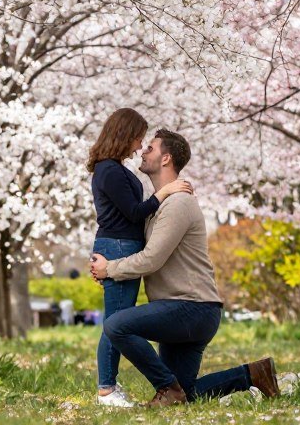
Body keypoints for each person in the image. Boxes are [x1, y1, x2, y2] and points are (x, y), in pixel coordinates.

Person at [90, 129, 281, 407]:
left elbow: (151, 258)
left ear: (166, 159)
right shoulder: (157, 205)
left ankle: (166, 387)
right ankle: (253, 374)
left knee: (116, 326)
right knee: (186, 394)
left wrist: (111, 269)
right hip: (182, 310)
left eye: (151, 148)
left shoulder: (178, 203)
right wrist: (105, 260)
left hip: (191, 308)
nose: (143, 151)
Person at [89, 108, 194, 408]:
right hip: (119, 246)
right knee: (117, 321)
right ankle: (107, 390)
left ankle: (108, 387)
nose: (139, 146)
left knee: (117, 319)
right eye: (138, 139)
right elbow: (134, 212)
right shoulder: (109, 169)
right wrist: (166, 192)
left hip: (121, 246)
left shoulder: (114, 168)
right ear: (125, 135)